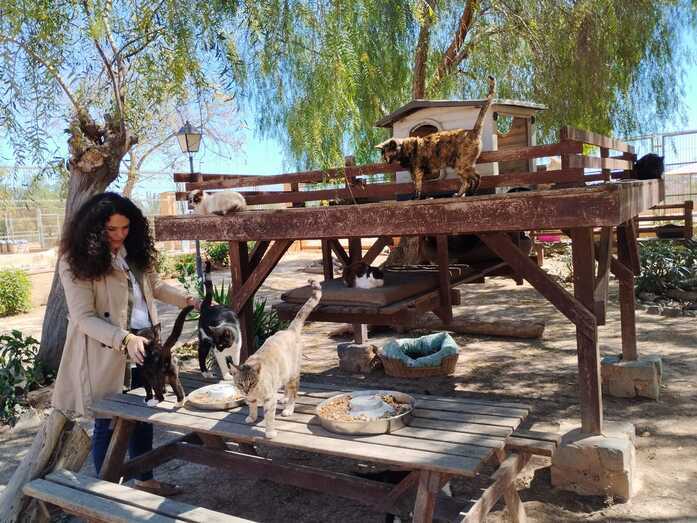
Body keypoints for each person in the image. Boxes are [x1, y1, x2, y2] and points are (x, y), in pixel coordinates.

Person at [51, 192, 201, 496]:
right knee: (109, 424)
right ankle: (107, 496)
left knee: (144, 415)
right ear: (93, 229)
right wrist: (125, 339)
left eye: (125, 228)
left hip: (147, 345)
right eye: (111, 229)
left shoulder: (134, 252)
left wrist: (188, 300)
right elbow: (83, 318)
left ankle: (145, 480)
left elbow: (155, 286)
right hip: (107, 351)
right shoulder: (74, 261)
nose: (119, 235)